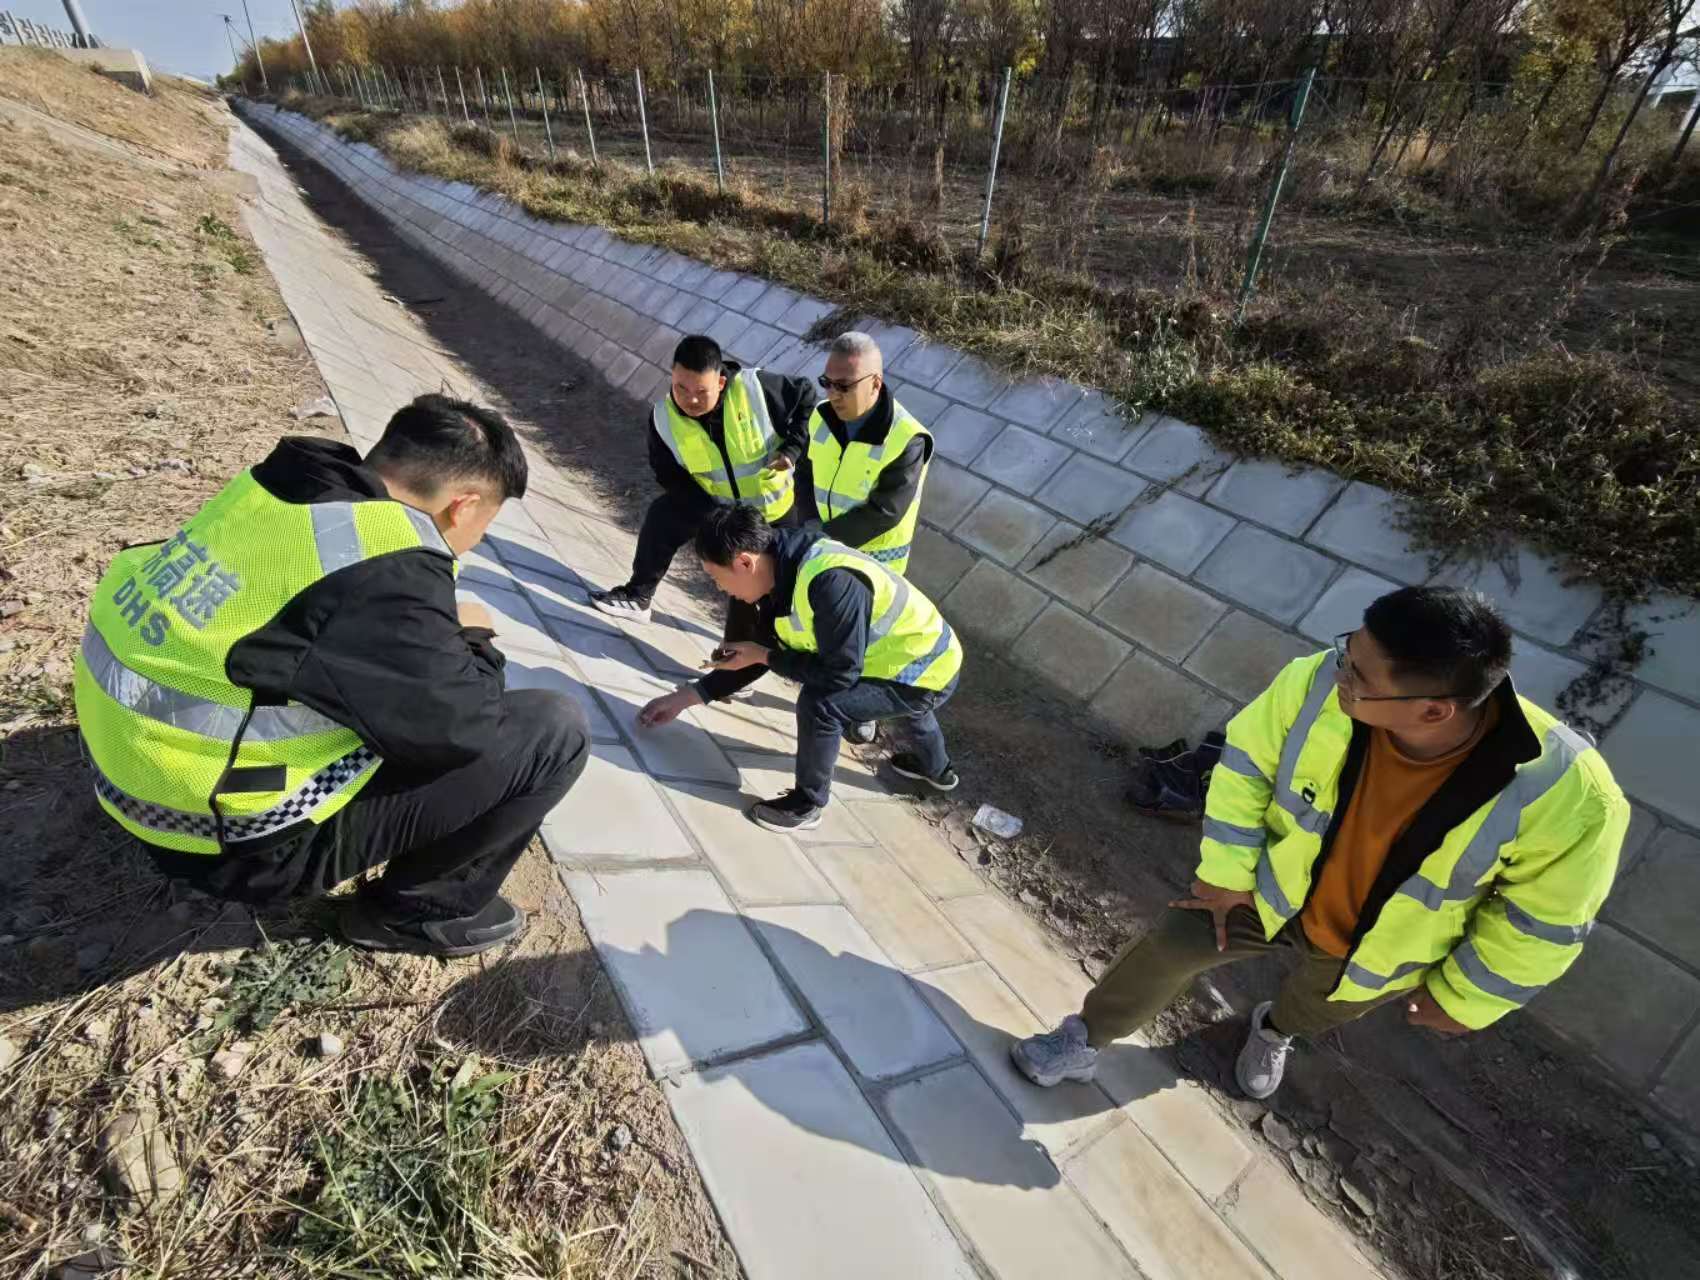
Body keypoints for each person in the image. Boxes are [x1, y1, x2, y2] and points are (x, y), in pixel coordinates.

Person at [1011, 586, 1627, 1098]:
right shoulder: (1316, 684)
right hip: (1269, 888)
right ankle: (1085, 1039)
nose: (1337, 673)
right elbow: (1246, 762)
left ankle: (1273, 1030)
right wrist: (1225, 872)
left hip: (1374, 950)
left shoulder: (1570, 794)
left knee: (1313, 1008)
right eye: (1346, 652)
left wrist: (1465, 998)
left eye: (1357, 674)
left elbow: (1543, 920)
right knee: (1171, 945)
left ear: (1435, 711)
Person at [73, 394, 591, 958]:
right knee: (553, 729)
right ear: (463, 507)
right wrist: (474, 637)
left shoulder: (277, 489)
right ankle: (419, 912)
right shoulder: (386, 564)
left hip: (125, 780)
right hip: (225, 844)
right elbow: (461, 728)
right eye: (483, 526)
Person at [637, 503, 963, 831]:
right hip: (915, 654)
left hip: (923, 668)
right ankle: (939, 773)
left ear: (744, 562)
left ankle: (808, 804)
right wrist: (685, 698)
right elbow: (758, 655)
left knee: (821, 704)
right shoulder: (776, 571)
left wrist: (765, 656)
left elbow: (838, 674)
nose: (720, 589)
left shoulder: (829, 582)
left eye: (717, 578)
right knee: (917, 715)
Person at [588, 333, 816, 624]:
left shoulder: (757, 390)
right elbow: (668, 475)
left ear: (720, 382)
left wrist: (792, 448)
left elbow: (806, 396)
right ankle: (638, 596)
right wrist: (713, 518)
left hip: (775, 514)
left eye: (701, 391)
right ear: (672, 375)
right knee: (664, 514)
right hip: (718, 510)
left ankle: (784, 640)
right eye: (681, 387)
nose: (690, 399)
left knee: (782, 586)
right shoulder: (663, 418)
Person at [802, 331, 935, 744]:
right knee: (822, 627)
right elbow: (807, 475)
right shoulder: (821, 417)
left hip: (874, 563)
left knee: (865, 643)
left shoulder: (907, 438)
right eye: (828, 382)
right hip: (823, 547)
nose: (834, 394)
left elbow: (885, 511)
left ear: (875, 382)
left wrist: (819, 538)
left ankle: (863, 714)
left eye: (845, 385)